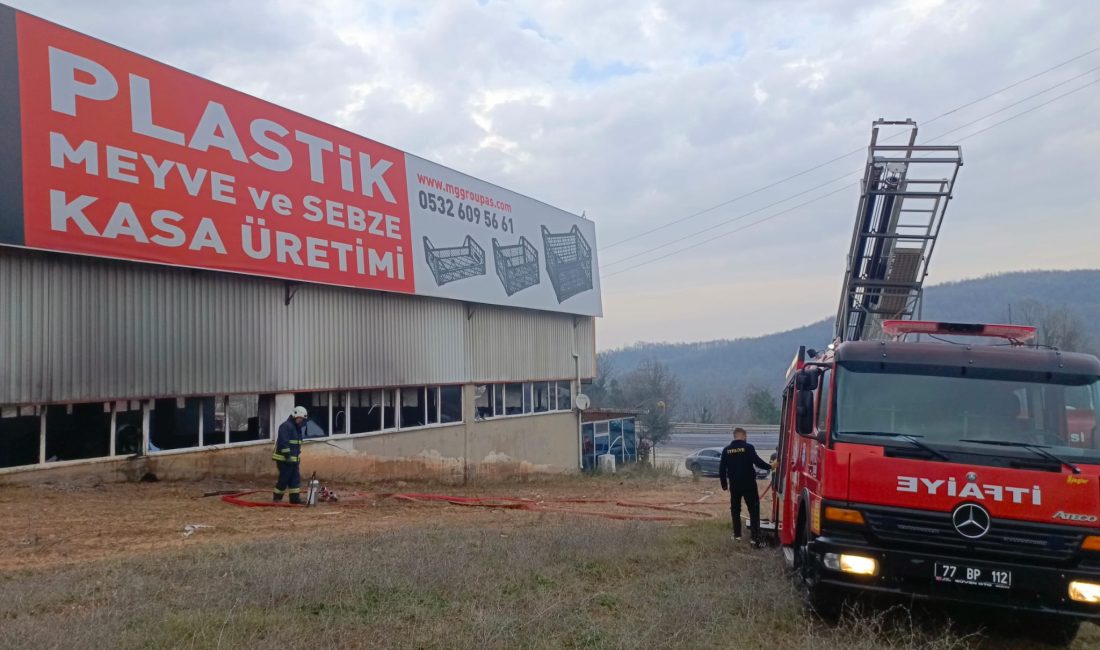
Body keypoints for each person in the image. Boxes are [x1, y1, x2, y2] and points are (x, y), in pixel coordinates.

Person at [719, 427, 771, 546]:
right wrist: (770, 467)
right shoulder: (748, 447)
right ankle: (755, 538)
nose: (746, 438)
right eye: (746, 436)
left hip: (735, 486)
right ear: (743, 436)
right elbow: (757, 462)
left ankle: (737, 536)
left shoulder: (726, 450)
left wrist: (724, 485)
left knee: (735, 510)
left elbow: (722, 469)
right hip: (749, 485)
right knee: (753, 511)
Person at [273, 406, 307, 503]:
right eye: (301, 418)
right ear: (295, 416)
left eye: (303, 419)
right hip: (284, 459)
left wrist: (296, 456)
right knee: (284, 479)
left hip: (293, 460)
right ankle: (277, 498)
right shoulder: (285, 426)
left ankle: (295, 499)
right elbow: (283, 442)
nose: (301, 421)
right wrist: (287, 455)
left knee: (295, 479)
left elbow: (297, 444)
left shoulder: (297, 428)